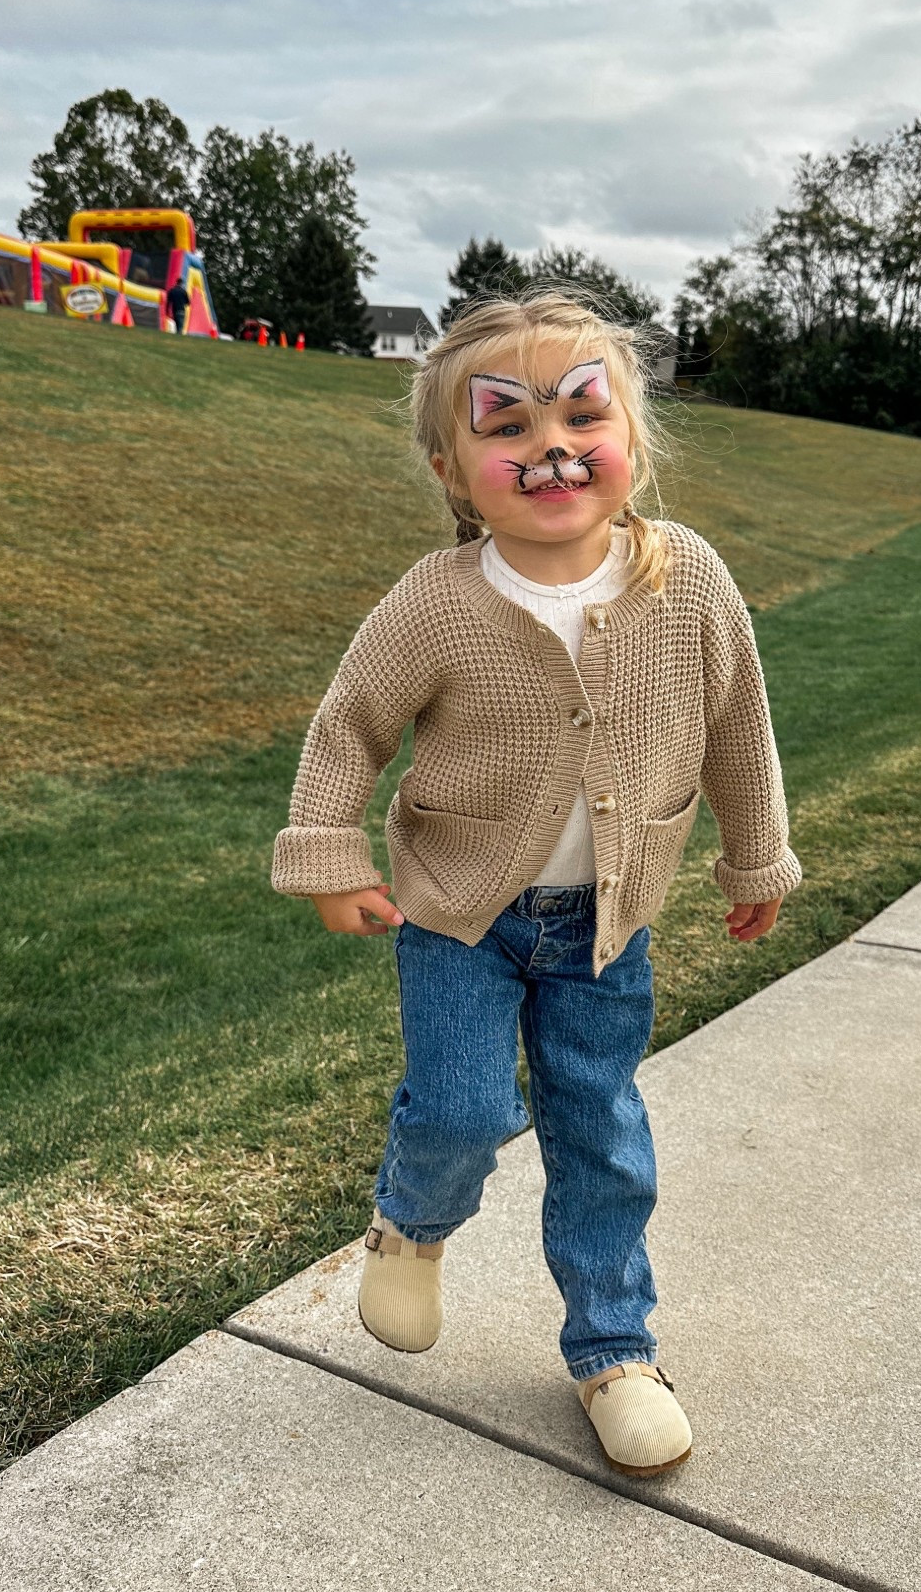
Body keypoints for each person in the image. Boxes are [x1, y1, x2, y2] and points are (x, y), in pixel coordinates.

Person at [271, 294, 800, 1478]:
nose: (551, 446)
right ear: (452, 465)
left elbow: (739, 726)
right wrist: (326, 852)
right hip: (458, 913)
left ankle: (615, 1350)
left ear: (634, 436)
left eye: (583, 411)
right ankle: (412, 1223)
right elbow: (348, 725)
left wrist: (755, 852)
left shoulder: (690, 580)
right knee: (462, 1108)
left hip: (608, 928)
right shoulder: (436, 599)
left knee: (601, 1133)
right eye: (506, 425)